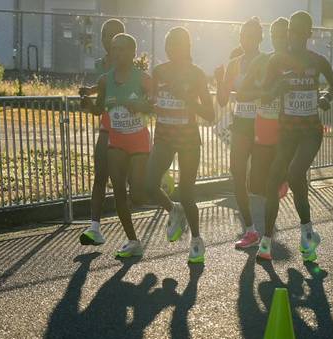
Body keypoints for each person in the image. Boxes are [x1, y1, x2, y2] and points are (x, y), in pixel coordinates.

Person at [257, 11, 333, 262]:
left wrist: (326, 97)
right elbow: (264, 96)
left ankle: (305, 234)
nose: (294, 35)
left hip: (310, 133)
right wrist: (277, 88)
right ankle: (268, 241)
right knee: (273, 181)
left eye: (300, 31)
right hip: (287, 133)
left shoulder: (317, 60)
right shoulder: (276, 60)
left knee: (294, 174)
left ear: (308, 34)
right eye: (291, 30)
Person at [144, 27, 216, 263]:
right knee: (149, 184)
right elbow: (151, 102)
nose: (175, 49)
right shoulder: (159, 71)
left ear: (187, 48)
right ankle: (173, 210)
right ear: (166, 48)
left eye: (180, 45)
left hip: (188, 140)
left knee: (187, 193)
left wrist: (185, 99)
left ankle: (196, 240)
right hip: (164, 136)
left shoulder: (196, 74)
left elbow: (210, 114)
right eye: (171, 45)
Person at [93, 33, 154, 259]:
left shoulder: (143, 78)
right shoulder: (104, 80)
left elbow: (154, 105)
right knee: (118, 189)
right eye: (114, 49)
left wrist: (139, 104)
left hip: (138, 139)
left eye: (122, 49)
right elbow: (99, 109)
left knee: (138, 194)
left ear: (133, 53)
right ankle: (133, 240)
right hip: (116, 140)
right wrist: (87, 105)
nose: (117, 53)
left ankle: (171, 207)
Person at [232, 17, 291, 252]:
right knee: (250, 181)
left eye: (284, 36)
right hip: (252, 124)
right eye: (242, 36)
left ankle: (285, 234)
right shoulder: (250, 62)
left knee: (272, 181)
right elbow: (239, 94)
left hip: (281, 127)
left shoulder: (290, 61)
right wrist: (266, 91)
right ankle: (253, 231)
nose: (280, 41)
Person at [217, 18, 265, 250]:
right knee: (237, 173)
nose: (246, 40)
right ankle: (250, 230)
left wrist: (249, 91)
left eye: (251, 36)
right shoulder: (234, 63)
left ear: (259, 38)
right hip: (241, 123)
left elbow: (270, 91)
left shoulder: (267, 61)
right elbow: (223, 99)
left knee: (258, 179)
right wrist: (219, 81)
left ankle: (281, 176)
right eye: (243, 36)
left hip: (263, 122)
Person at [77, 18, 126, 246]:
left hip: (127, 130)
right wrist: (91, 92)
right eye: (105, 35)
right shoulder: (102, 64)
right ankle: (94, 228)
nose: (108, 40)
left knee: (122, 184)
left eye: (113, 35)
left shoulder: (130, 64)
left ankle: (133, 237)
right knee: (100, 176)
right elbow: (104, 85)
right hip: (107, 127)